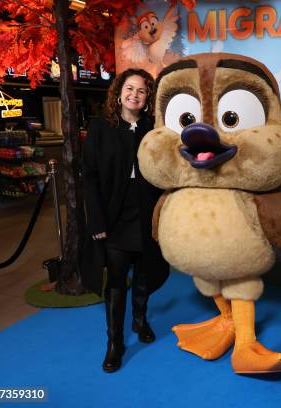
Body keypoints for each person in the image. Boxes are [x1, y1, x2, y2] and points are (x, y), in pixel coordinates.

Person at [81, 68, 169, 373]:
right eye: (129, 88)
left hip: (146, 208)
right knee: (117, 281)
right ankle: (114, 342)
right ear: (119, 92)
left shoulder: (153, 127)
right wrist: (96, 221)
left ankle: (140, 319)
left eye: (142, 90)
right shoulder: (100, 127)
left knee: (145, 273)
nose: (134, 94)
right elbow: (89, 178)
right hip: (115, 214)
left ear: (147, 98)